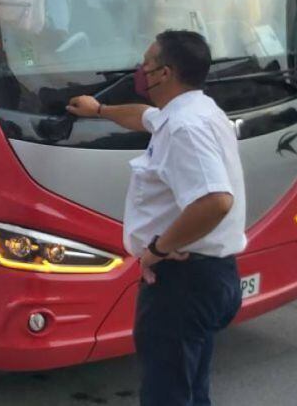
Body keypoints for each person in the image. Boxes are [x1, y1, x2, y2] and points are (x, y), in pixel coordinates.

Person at [67, 30, 245, 406]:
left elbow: (215, 201)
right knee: (191, 389)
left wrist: (158, 249)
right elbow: (145, 117)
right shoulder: (195, 110)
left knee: (167, 394)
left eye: (146, 64)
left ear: (165, 73)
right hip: (208, 275)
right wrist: (99, 110)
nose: (139, 70)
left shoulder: (185, 127)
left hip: (183, 282)